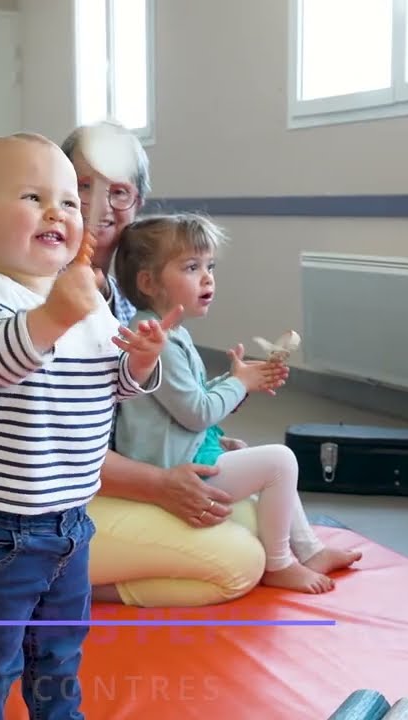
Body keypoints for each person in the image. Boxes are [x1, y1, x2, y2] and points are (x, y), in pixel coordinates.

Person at [0, 131, 171, 718]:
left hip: (73, 519)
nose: (59, 212)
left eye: (69, 202)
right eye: (32, 197)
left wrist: (140, 362)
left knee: (61, 649)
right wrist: (54, 314)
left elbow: (112, 385)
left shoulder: (90, 301)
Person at [59, 122, 270, 607]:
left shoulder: (129, 303)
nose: (98, 204)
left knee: (251, 518)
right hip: (62, 502)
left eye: (118, 190)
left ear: (136, 205)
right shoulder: (58, 296)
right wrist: (159, 486)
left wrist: (198, 441)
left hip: (108, 485)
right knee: (242, 561)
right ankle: (58, 588)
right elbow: (58, 449)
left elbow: (136, 411)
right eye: (81, 186)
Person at [110, 212, 362, 593]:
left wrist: (235, 381)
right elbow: (197, 413)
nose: (208, 277)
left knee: (256, 459)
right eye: (191, 267)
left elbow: (184, 402)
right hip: (173, 472)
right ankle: (279, 563)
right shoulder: (156, 340)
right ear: (148, 282)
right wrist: (239, 384)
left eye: (209, 266)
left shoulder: (170, 335)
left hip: (184, 455)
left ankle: (308, 549)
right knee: (280, 461)